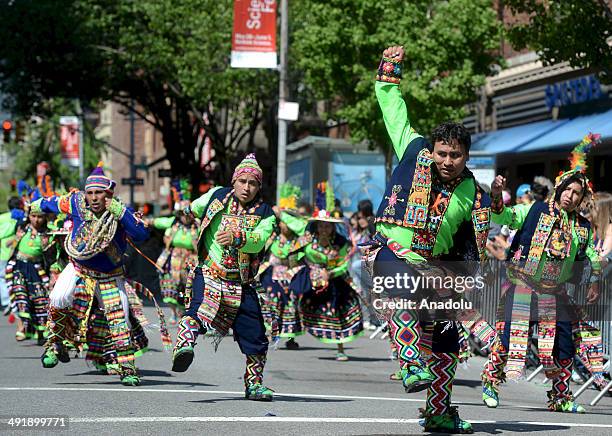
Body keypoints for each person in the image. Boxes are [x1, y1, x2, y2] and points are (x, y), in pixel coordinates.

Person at [363, 45, 492, 433]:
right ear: (431, 150)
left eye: (455, 154)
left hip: (437, 270)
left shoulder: (472, 190)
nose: (446, 160)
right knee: (399, 289)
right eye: (442, 152)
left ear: (466, 156)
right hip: (392, 251)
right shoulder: (412, 148)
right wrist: (391, 68)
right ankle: (409, 363)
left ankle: (438, 410)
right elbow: (391, 106)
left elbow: (473, 237)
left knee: (449, 341)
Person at [482, 134, 603, 413]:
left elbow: (591, 255)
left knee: (563, 346)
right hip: (523, 287)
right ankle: (491, 382)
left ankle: (560, 398)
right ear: (559, 188)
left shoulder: (582, 227)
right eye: (568, 190)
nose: (571, 197)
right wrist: (497, 196)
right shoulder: (534, 209)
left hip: (554, 294)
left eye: (577, 193)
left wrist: (595, 278)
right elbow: (504, 217)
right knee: (510, 339)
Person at [171, 154, 277, 402]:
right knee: (198, 310)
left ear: (259, 186)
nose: (247, 187)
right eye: (242, 181)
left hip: (241, 282)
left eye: (252, 183)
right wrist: (185, 212)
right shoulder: (217, 196)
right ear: (234, 182)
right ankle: (184, 346)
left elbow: (260, 239)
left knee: (256, 335)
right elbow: (193, 209)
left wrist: (238, 237)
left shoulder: (265, 213)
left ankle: (254, 384)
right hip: (210, 272)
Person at [35, 162, 152, 386]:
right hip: (79, 268)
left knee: (120, 319)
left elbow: (140, 234)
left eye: (99, 193)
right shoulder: (76, 203)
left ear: (108, 194)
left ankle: (127, 368)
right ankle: (54, 344)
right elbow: (51, 204)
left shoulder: (119, 211)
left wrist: (119, 212)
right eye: (90, 193)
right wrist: (35, 205)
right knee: (58, 297)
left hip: (110, 275)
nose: (94, 197)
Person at [300, 182, 364, 361]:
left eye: (328, 226)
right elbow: (305, 256)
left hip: (338, 283)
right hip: (318, 282)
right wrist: (316, 270)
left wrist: (331, 273)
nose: (324, 229)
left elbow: (344, 264)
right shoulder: (309, 242)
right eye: (321, 225)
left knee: (340, 314)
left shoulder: (342, 243)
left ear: (334, 227)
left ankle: (341, 348)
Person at [259, 182, 310, 349]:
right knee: (272, 300)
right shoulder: (271, 237)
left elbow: (305, 230)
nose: (285, 226)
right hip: (273, 275)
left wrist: (284, 214)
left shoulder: (300, 239)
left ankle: (290, 337)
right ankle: (272, 332)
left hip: (293, 274)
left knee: (292, 305)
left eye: (289, 221)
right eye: (283, 221)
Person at [152, 179, 199, 324]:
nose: (186, 217)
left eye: (188, 214)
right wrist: (145, 221)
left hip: (191, 259)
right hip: (173, 259)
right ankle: (173, 312)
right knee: (169, 286)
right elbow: (157, 222)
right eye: (183, 214)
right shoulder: (173, 223)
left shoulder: (197, 226)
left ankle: (183, 310)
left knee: (187, 288)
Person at [0, 197, 24, 313]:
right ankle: (17, 300)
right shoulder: (21, 216)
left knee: (2, 278)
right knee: (15, 276)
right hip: (16, 251)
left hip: (2, 252)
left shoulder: (2, 217)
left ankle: (6, 302)